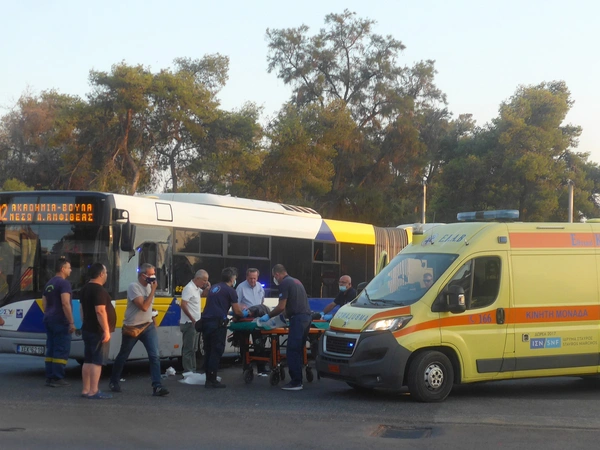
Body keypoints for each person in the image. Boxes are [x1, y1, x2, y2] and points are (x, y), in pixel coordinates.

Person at [109, 263, 169, 397]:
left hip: (148, 326)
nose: (153, 277)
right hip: (133, 327)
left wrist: (154, 321)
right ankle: (114, 381)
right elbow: (143, 306)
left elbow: (150, 308)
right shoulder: (134, 287)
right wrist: (153, 290)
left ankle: (157, 386)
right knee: (123, 355)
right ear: (143, 275)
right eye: (151, 274)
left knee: (154, 356)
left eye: (154, 274)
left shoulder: (149, 286)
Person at [259, 264, 311, 391]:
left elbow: (281, 306)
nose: (274, 279)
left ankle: (296, 382)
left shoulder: (284, 283)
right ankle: (298, 379)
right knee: (298, 350)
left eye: (274, 276)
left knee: (292, 350)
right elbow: (292, 304)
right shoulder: (296, 281)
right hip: (306, 318)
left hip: (298, 319)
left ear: (277, 274)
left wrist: (268, 316)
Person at [201, 267, 243, 388]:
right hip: (217, 324)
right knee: (216, 350)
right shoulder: (230, 291)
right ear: (232, 278)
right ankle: (212, 380)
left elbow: (216, 305)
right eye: (235, 278)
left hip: (206, 322)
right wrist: (242, 314)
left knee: (208, 350)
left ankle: (208, 378)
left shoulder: (214, 287)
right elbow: (237, 311)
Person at [80, 263, 116, 399]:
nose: (106, 275)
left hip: (87, 328)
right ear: (101, 274)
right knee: (97, 361)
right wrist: (106, 330)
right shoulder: (99, 290)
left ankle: (86, 389)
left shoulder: (85, 289)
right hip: (97, 331)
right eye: (105, 272)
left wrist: (85, 322)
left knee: (88, 360)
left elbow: (81, 309)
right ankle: (94, 390)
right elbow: (100, 311)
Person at [42, 258, 74, 387]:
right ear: (62, 269)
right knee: (61, 349)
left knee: (51, 349)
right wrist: (71, 322)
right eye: (69, 268)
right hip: (61, 320)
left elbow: (44, 303)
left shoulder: (49, 283)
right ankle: (57, 377)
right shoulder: (64, 284)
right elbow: (65, 303)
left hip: (49, 319)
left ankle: (49, 376)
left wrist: (49, 313)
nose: (70, 270)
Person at [236, 268, 269, 375]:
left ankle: (261, 368)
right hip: (245, 320)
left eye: (255, 278)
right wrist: (242, 307)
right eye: (250, 278)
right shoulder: (241, 287)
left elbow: (262, 301)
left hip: (257, 319)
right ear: (246, 277)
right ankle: (246, 368)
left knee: (259, 344)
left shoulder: (260, 286)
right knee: (244, 345)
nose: (253, 281)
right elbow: (236, 304)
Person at [180, 269, 210, 374]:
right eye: (204, 280)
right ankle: (188, 370)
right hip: (189, 323)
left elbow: (203, 294)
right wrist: (192, 318)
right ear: (197, 278)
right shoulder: (189, 288)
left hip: (195, 323)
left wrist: (208, 288)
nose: (205, 282)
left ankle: (192, 369)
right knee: (189, 348)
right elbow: (183, 304)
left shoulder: (196, 288)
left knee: (194, 348)